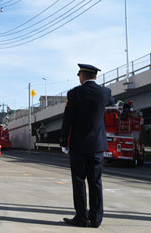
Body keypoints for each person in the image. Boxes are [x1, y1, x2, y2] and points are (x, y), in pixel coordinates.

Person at [60, 64, 115, 228]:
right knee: (96, 181)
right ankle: (96, 219)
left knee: (79, 181)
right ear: (95, 77)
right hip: (97, 145)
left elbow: (67, 119)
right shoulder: (105, 92)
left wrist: (63, 140)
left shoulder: (74, 93)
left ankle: (81, 218)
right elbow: (112, 102)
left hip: (78, 146)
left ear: (82, 76)